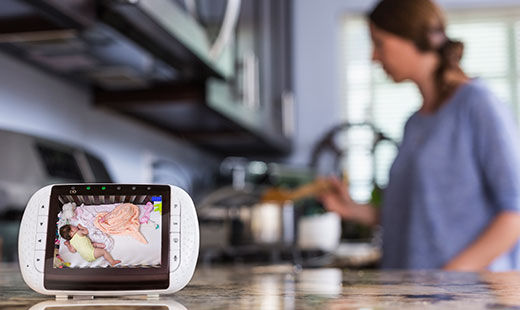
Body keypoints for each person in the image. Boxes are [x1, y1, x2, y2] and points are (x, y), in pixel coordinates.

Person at [321, 0, 520, 271]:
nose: (373, 57)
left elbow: (514, 214)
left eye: (379, 43)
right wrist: (355, 210)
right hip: (414, 295)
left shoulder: (477, 105)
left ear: (413, 38)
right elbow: (419, 215)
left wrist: (447, 281)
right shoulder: (414, 123)